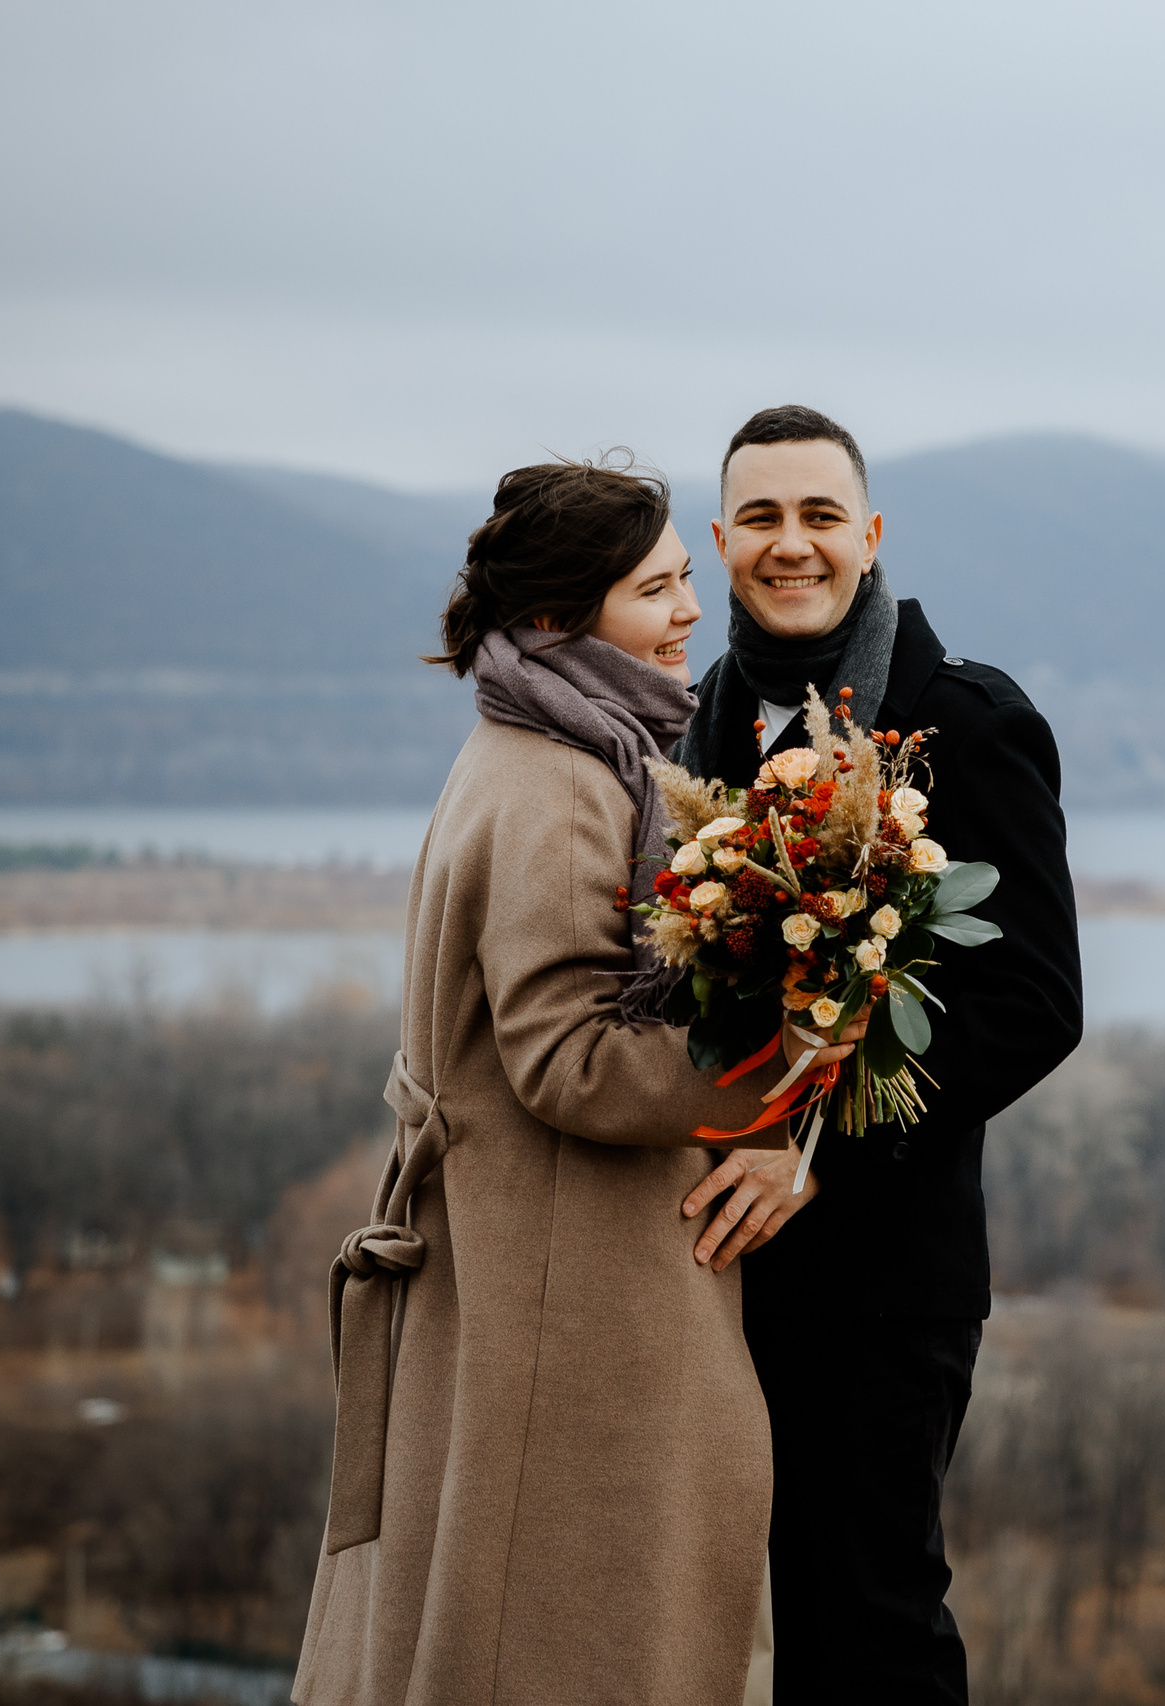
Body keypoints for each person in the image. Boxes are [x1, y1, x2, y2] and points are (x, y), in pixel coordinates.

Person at [292, 458, 859, 1706]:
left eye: (683, 582)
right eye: (656, 589)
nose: (691, 612)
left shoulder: (545, 741)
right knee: (570, 1628)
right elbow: (572, 1059)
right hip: (567, 1284)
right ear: (557, 618)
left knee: (521, 1609)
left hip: (533, 1261)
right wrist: (795, 1052)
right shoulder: (556, 785)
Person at [678, 406, 1084, 1702]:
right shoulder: (697, 724)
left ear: (871, 534)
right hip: (703, 1259)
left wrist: (818, 1153)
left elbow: (1034, 1000)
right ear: (723, 537)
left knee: (867, 1614)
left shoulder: (965, 722)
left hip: (885, 1268)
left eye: (817, 516)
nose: (789, 544)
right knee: (721, 1610)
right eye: (759, 517)